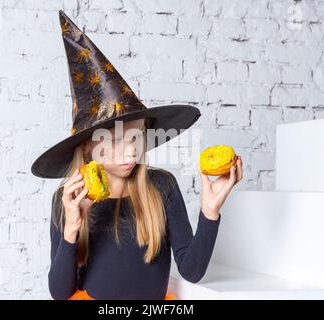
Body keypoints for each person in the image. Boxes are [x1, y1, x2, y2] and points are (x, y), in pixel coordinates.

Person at [30, 10, 242, 300]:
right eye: (116, 140)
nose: (131, 150)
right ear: (89, 146)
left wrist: (210, 211)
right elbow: (59, 292)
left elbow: (192, 271)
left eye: (136, 137)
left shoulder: (162, 186)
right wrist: (72, 228)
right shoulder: (67, 199)